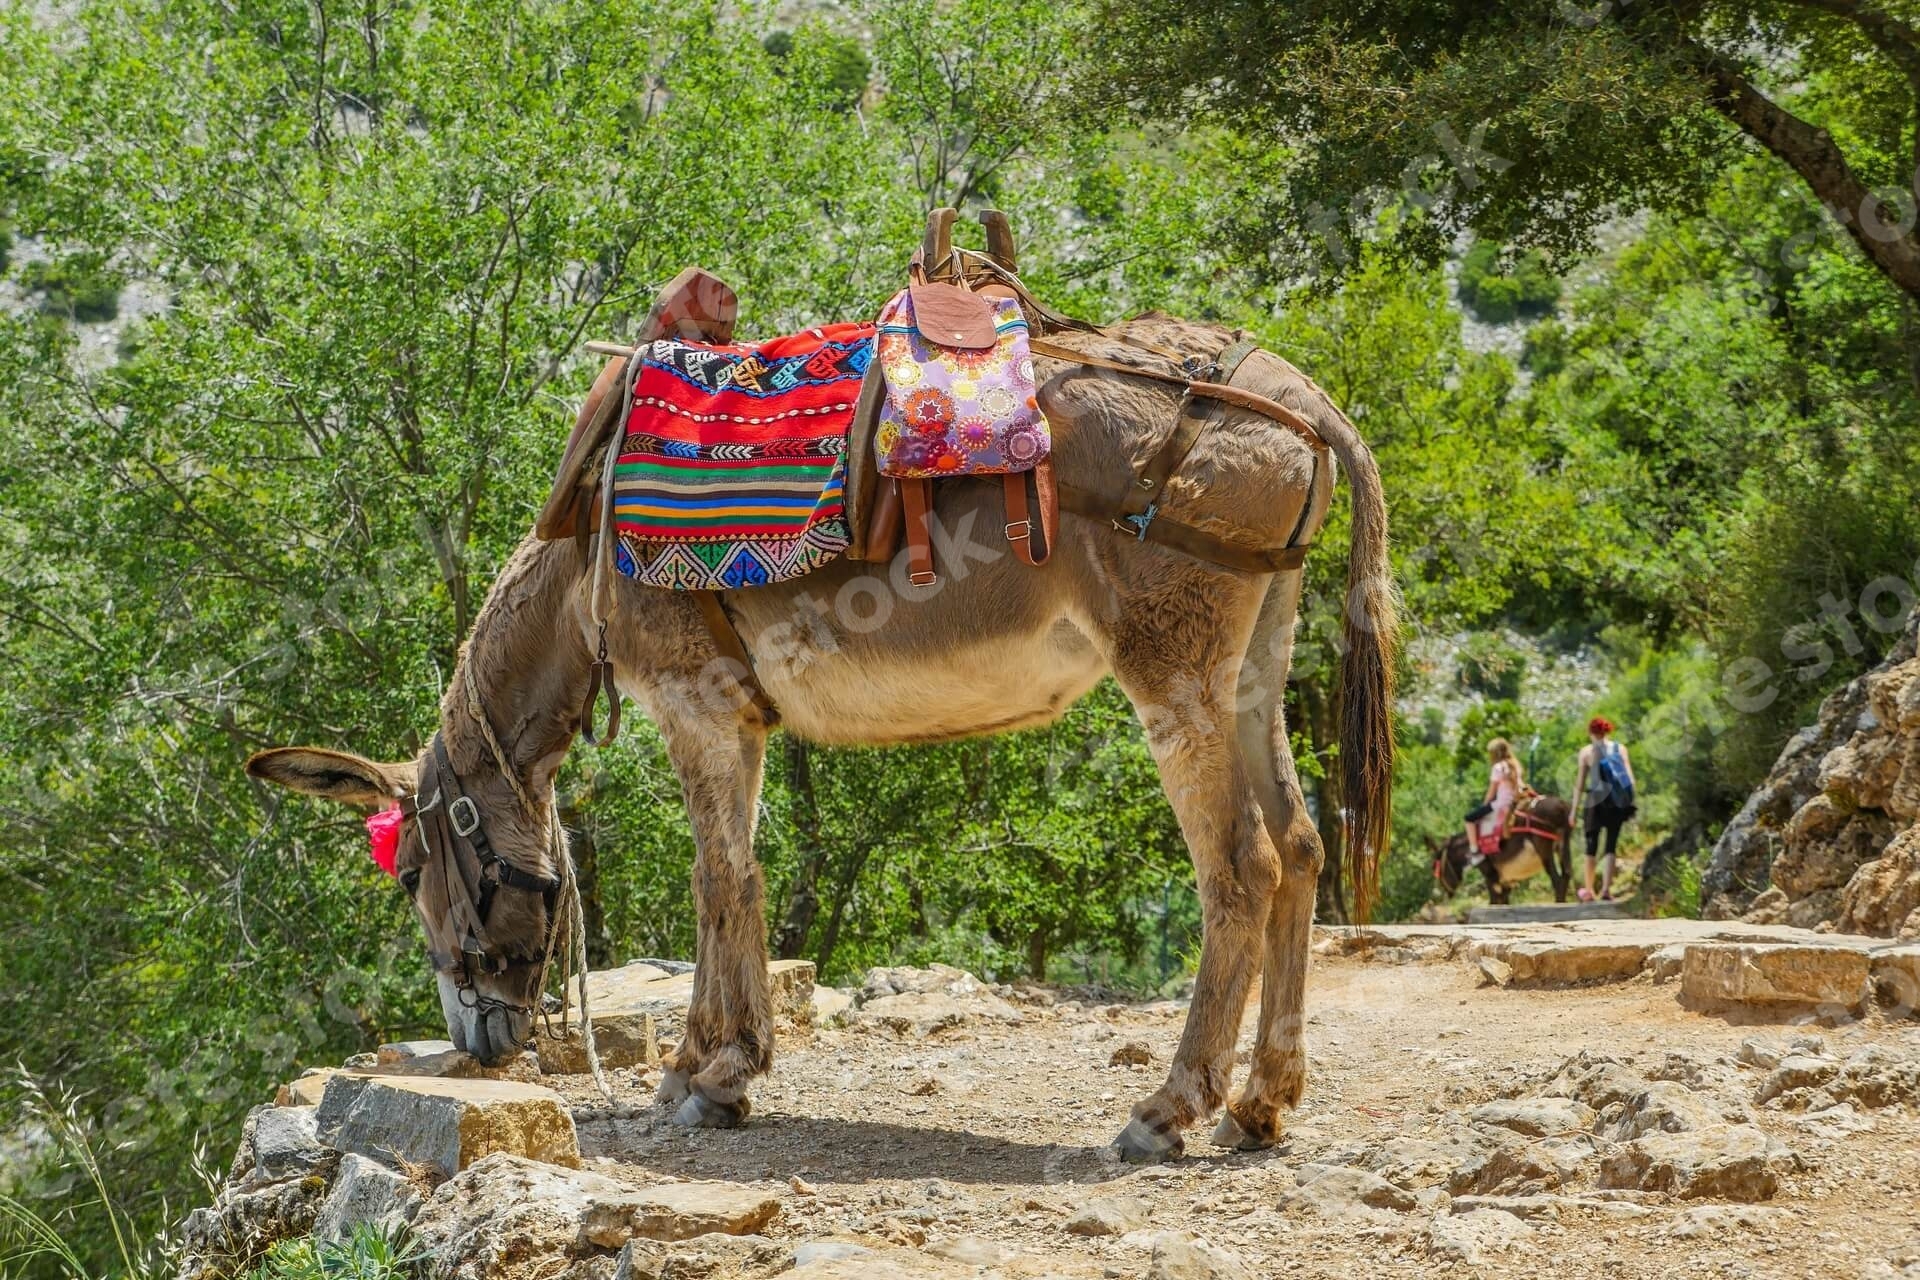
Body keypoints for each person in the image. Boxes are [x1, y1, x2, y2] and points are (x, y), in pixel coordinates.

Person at [1572, 717, 1636, 901]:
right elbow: (1630, 779)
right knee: (1611, 845)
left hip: (1594, 800)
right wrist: (1629, 802)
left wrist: (1573, 810)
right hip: (1616, 802)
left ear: (1590, 732)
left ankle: (1589, 890)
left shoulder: (1586, 752)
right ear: (1607, 731)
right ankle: (1607, 890)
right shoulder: (1620, 749)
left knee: (1591, 845)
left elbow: (1580, 784)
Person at [1461, 738, 1525, 864]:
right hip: (1515, 802)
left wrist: (1484, 805)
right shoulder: (1516, 765)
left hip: (1501, 804)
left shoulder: (1498, 767)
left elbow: (1491, 792)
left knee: (1469, 819)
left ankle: (1474, 851)